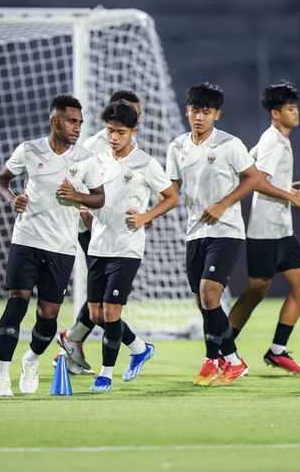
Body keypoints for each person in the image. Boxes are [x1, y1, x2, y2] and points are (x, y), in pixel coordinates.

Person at [0, 94, 104, 397]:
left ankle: (31, 359)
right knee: (17, 301)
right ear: (55, 121)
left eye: (80, 122)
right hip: (26, 239)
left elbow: (99, 197)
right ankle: (1, 377)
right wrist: (11, 198)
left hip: (61, 247)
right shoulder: (29, 150)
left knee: (48, 316)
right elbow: (2, 180)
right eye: (71, 121)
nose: (77, 128)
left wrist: (78, 197)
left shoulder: (85, 159)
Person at [166, 82, 258, 386]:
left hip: (226, 230)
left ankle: (233, 360)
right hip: (195, 232)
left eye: (206, 112)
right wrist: (150, 210)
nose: (199, 117)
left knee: (209, 294)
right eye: (195, 110)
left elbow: (252, 178)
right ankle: (211, 360)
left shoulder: (230, 144)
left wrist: (223, 204)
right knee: (202, 301)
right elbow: (172, 189)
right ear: (187, 110)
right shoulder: (177, 146)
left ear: (216, 114)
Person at [86, 100, 179, 391]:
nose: (114, 137)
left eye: (121, 132)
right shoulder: (99, 160)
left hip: (127, 249)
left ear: (134, 131)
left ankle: (105, 374)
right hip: (99, 245)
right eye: (110, 131)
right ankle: (140, 348)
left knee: (112, 313)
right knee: (96, 315)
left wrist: (145, 216)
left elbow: (171, 196)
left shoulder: (146, 163)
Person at [227, 82, 300, 375]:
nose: (296, 113)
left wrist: (285, 188)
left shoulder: (279, 139)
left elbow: (265, 177)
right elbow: (256, 180)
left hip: (282, 231)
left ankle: (277, 351)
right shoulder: (273, 141)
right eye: (290, 109)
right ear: (276, 113)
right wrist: (291, 196)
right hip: (264, 231)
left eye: (296, 107)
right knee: (255, 291)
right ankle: (221, 348)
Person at [57, 90, 142, 375]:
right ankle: (78, 339)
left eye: (137, 115)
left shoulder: (130, 144)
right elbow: (79, 184)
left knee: (103, 300)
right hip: (90, 228)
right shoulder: (94, 144)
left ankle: (74, 338)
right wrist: (90, 219)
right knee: (105, 299)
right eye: (131, 112)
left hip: (110, 227)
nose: (135, 118)